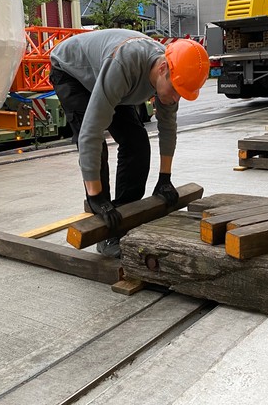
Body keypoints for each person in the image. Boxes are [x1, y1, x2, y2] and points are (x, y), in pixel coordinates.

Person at [49, 29, 210, 257]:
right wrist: (96, 197)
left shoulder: (173, 74)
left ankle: (123, 218)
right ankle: (105, 230)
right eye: (175, 90)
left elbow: (168, 128)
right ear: (162, 68)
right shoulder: (125, 64)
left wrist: (165, 178)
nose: (176, 98)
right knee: (98, 145)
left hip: (113, 76)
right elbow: (90, 133)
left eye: (182, 94)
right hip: (71, 72)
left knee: (137, 142)